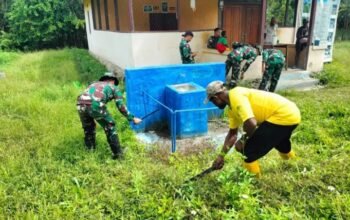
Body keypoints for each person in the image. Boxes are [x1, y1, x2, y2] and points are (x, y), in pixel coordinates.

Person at [205, 81, 301, 176]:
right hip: (291, 113)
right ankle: (295, 165)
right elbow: (232, 134)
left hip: (282, 115)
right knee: (280, 142)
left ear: (216, 97)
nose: (214, 104)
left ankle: (255, 183)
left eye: (212, 101)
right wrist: (221, 156)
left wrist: (244, 140)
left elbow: (251, 123)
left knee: (248, 151)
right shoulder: (231, 108)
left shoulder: (236, 95)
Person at [76, 72, 142, 159]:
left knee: (88, 128)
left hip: (80, 103)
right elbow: (121, 106)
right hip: (95, 104)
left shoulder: (94, 83)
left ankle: (90, 151)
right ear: (112, 81)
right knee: (110, 126)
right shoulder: (113, 87)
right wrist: (132, 118)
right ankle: (118, 154)